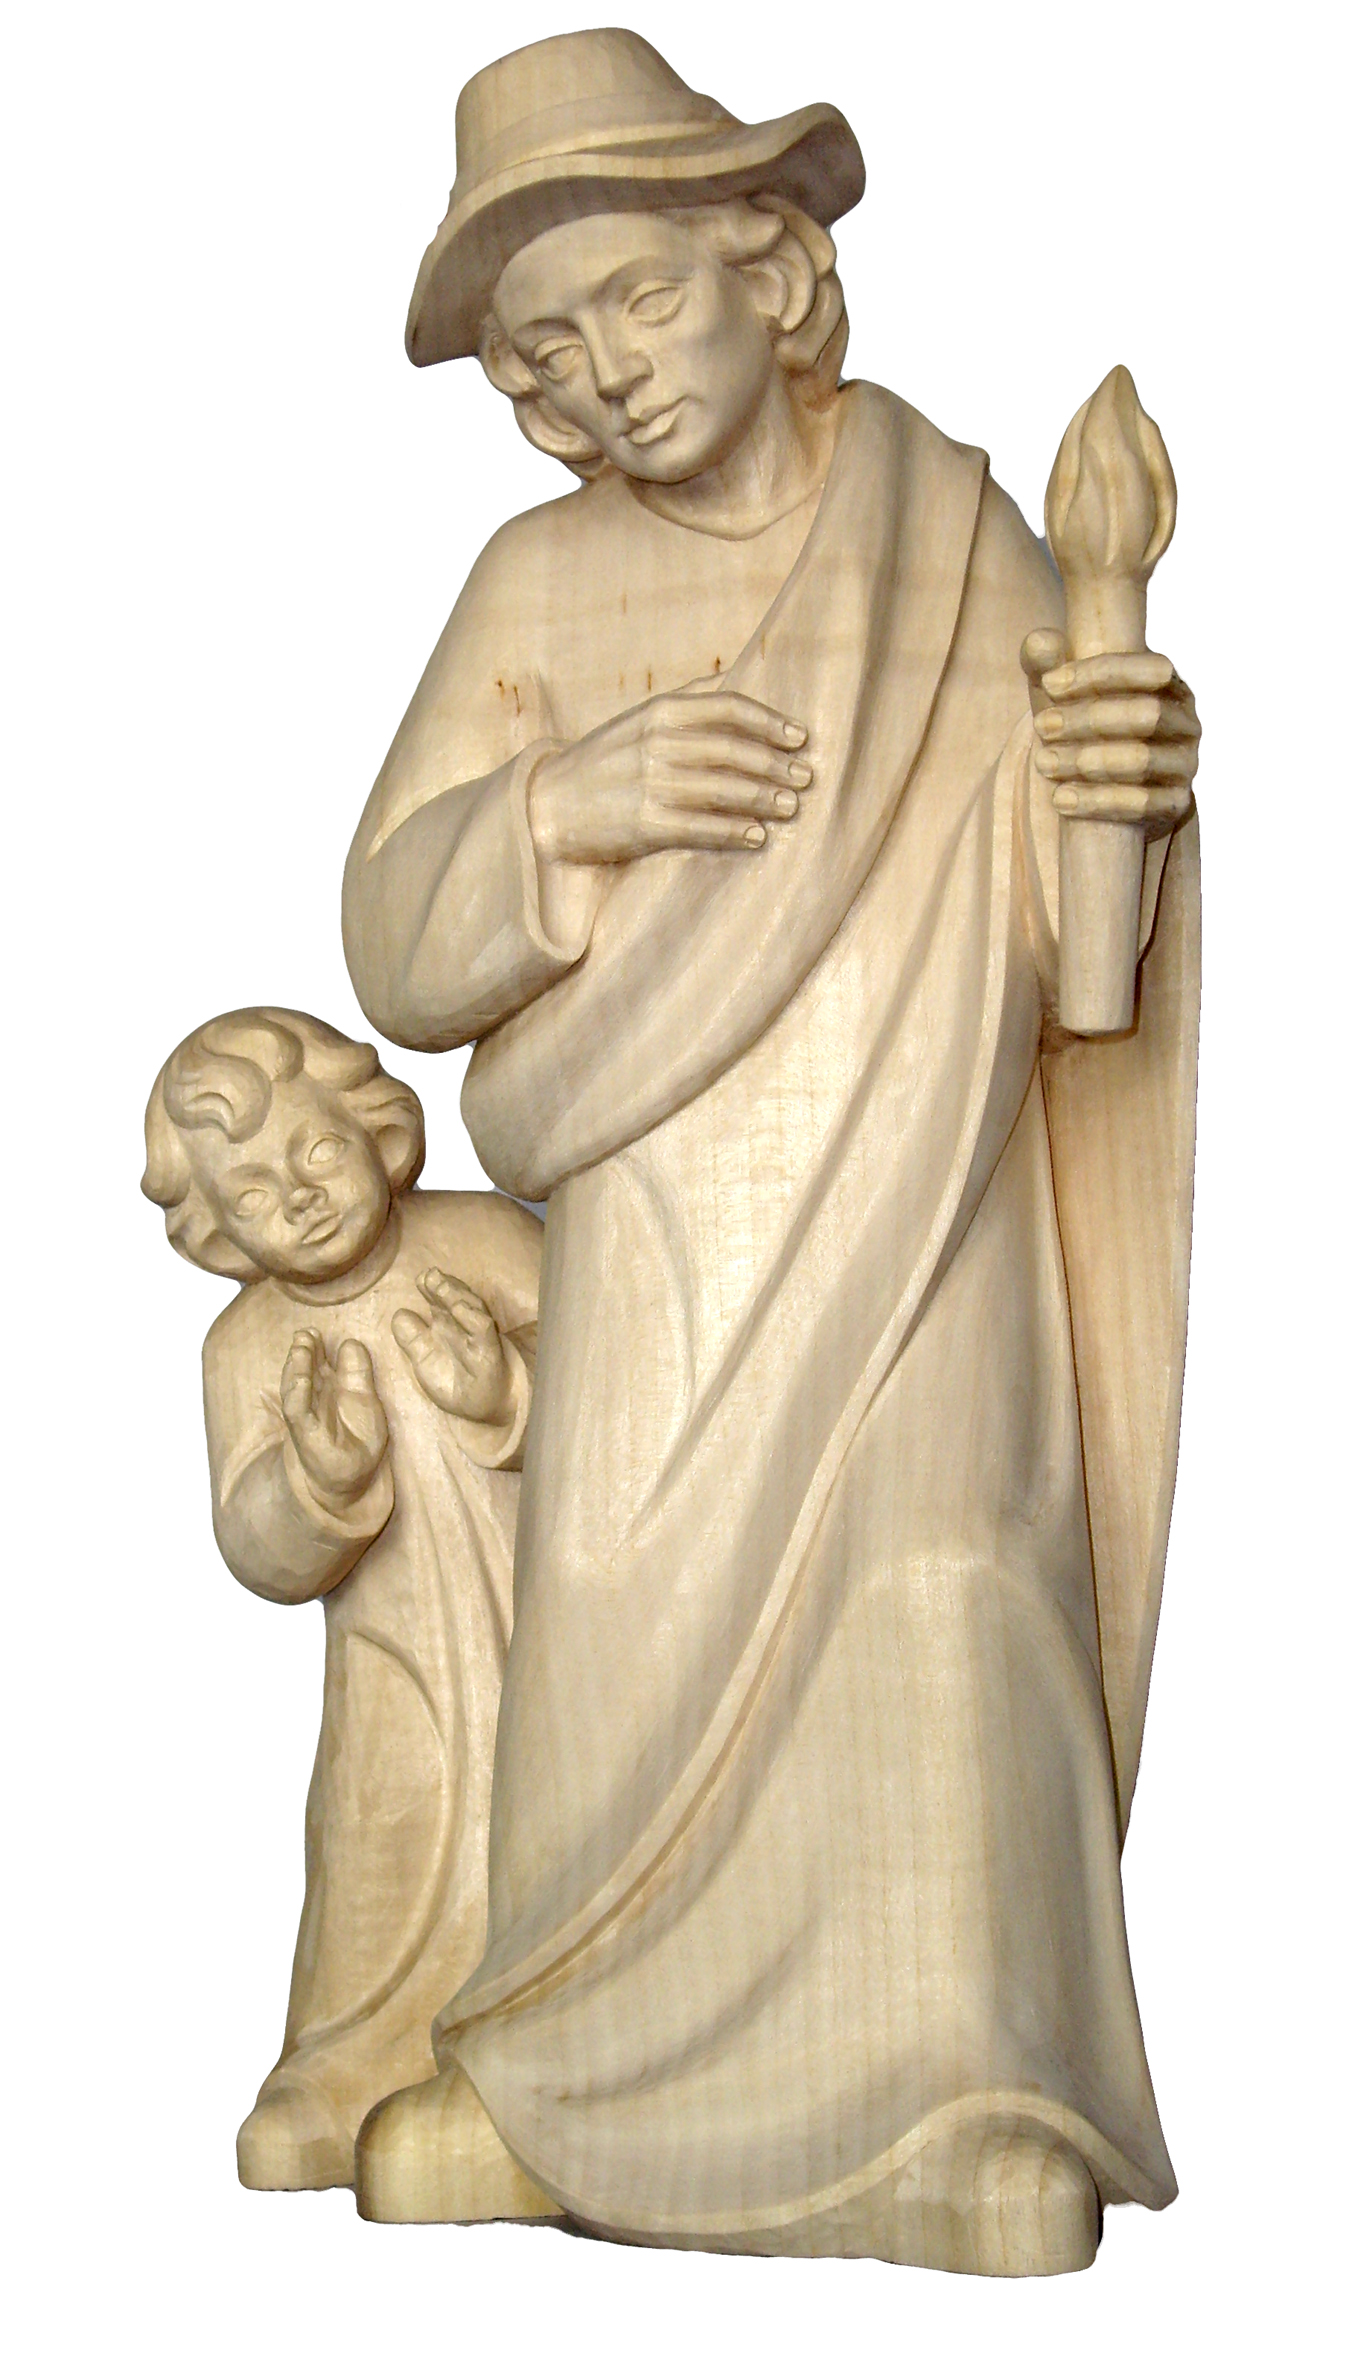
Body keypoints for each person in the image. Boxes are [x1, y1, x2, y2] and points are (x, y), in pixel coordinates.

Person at [342, 31, 1201, 2273]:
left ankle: (964, 2089)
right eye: (549, 347)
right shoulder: (535, 586)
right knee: (619, 1623)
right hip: (654, 1209)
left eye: (639, 298)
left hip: (917, 1203)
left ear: (772, 272)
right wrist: (563, 803)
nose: (605, 371)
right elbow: (394, 941)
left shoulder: (951, 536)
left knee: (935, 1590)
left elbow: (1075, 983)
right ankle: (558, 2069)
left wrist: (1110, 789)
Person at [142, 1007, 548, 2201]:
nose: (300, 1197)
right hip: (392, 1660)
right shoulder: (244, 1349)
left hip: (552, 1617)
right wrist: (315, 1484)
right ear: (218, 1232)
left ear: (373, 1126)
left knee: (562, 1807)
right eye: (252, 1193)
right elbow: (253, 1547)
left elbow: (633, 1398)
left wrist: (508, 1387)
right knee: (382, 1831)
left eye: (314, 1149)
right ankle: (351, 2060)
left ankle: (555, 2042)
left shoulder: (488, 1239)